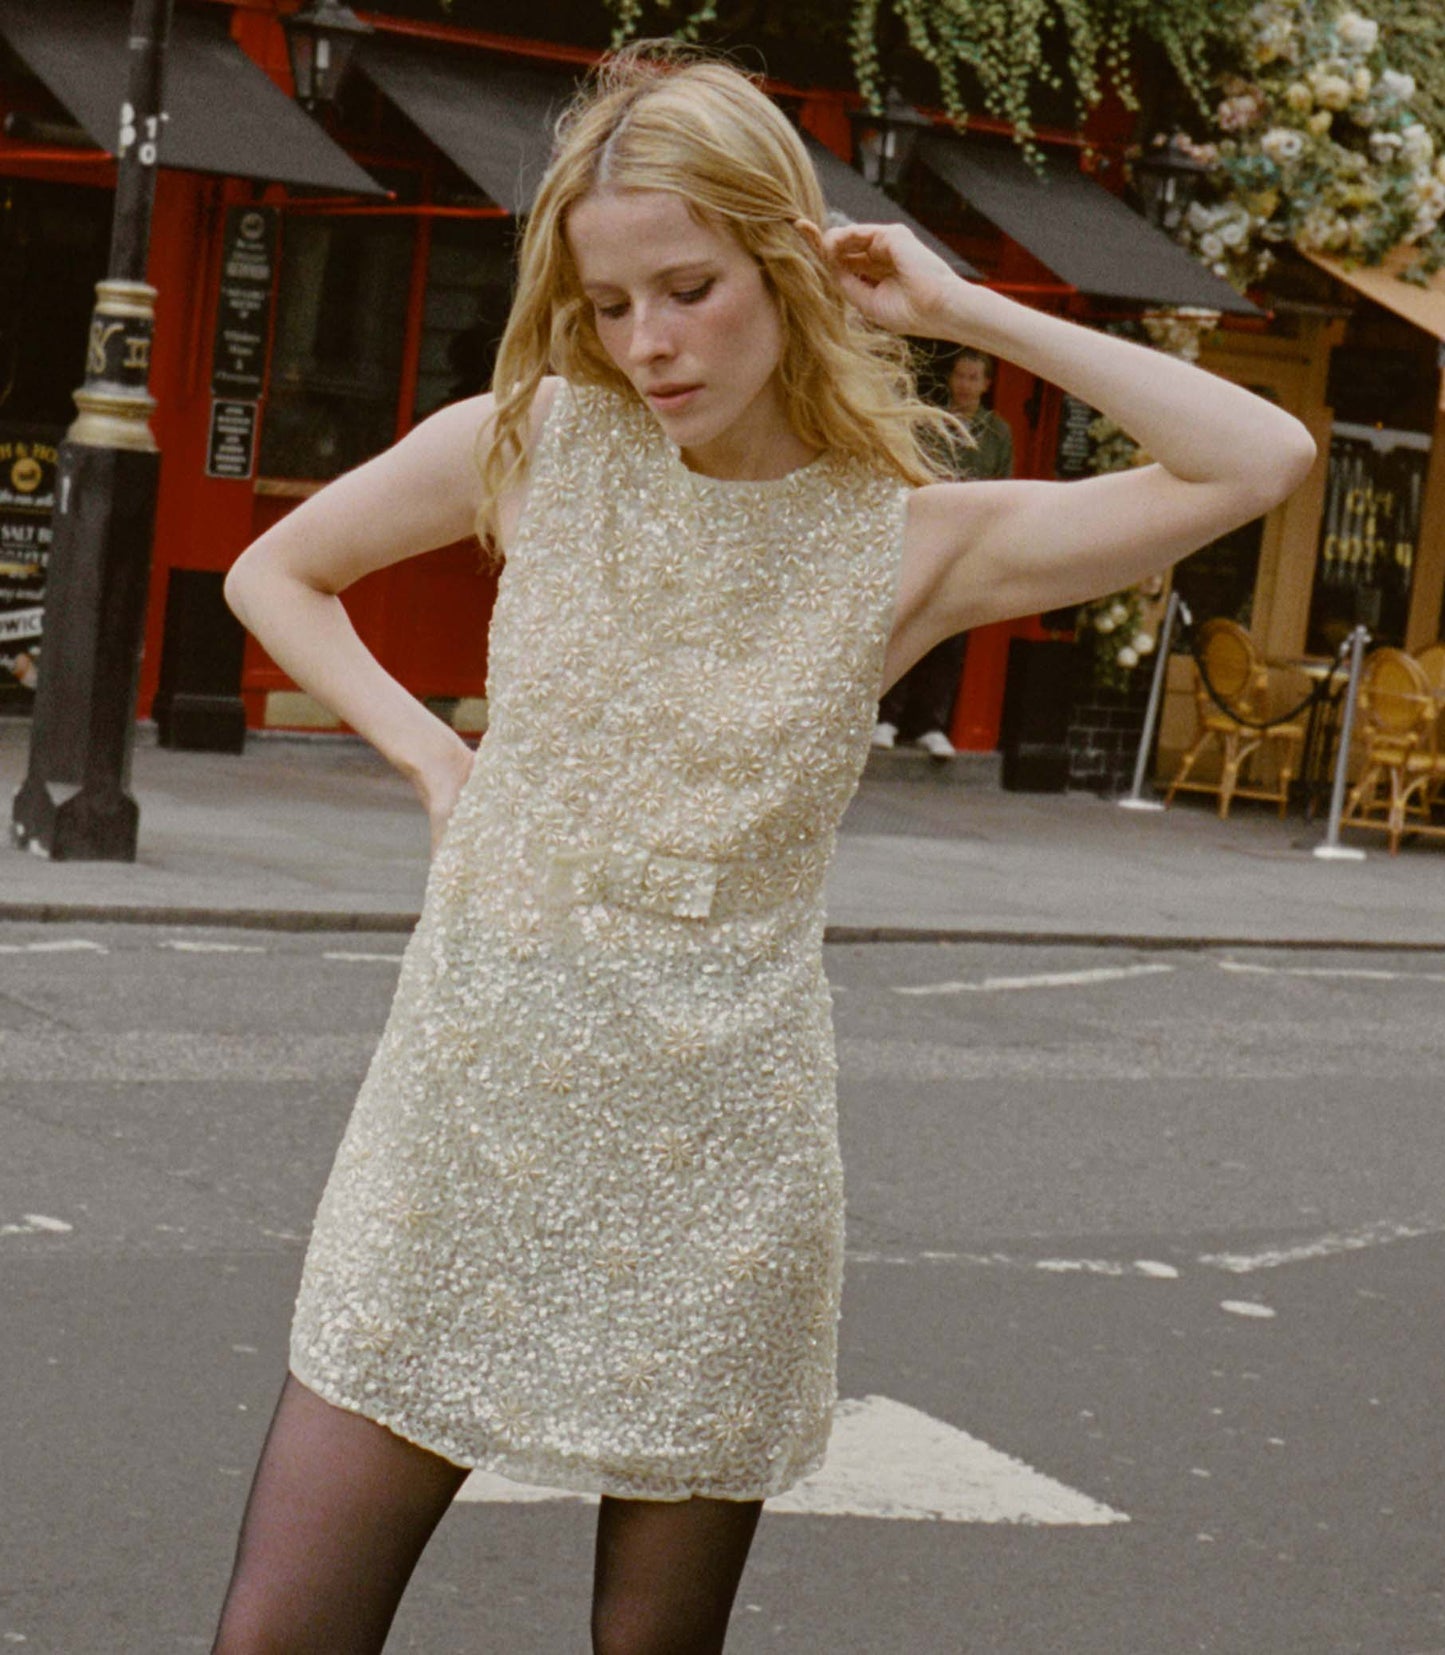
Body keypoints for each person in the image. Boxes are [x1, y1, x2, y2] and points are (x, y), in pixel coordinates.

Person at [211, 42, 1314, 1655]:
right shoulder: (530, 442)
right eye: (608, 302)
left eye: (689, 286)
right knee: (281, 1637)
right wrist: (434, 756)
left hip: (719, 1144)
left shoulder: (910, 541)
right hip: (471, 1102)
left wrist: (961, 309)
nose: (647, 342)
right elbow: (275, 574)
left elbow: (1263, 462)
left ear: (789, 261)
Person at [873, 345, 1013, 759]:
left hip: (968, 542)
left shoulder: (997, 432)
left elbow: (1001, 484)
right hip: (925, 533)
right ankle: (887, 718)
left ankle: (931, 724)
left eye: (975, 378)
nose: (967, 385)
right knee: (907, 620)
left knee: (949, 637)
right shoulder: (927, 422)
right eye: (961, 376)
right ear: (950, 379)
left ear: (986, 385)